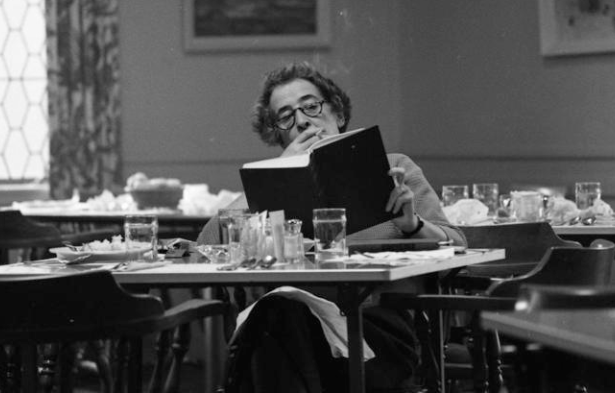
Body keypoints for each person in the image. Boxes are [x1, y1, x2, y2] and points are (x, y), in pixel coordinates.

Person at [197, 62, 465, 393]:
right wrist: (273, 176)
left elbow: (457, 247)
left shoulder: (393, 167)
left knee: (272, 329)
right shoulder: (272, 193)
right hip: (299, 326)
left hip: (379, 334)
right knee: (279, 316)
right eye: (286, 116)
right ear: (279, 135)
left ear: (337, 113)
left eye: (311, 106)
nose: (302, 120)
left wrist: (412, 225)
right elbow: (206, 246)